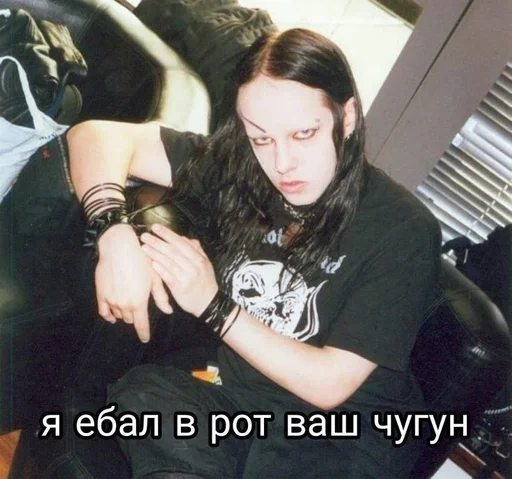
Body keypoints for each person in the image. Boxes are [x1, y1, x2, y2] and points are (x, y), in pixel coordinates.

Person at [67, 28, 441, 479]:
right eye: (261, 138)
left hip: (343, 437)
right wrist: (113, 233)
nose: (282, 163)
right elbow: (95, 136)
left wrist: (213, 305)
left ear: (347, 117)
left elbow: (330, 384)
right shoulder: (241, 170)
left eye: (303, 134)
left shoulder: (402, 229)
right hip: (237, 405)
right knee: (145, 393)